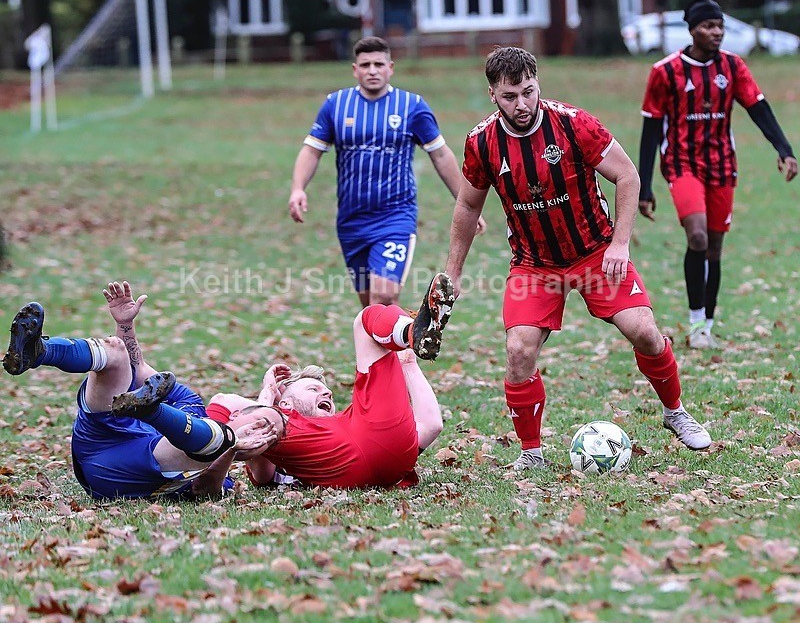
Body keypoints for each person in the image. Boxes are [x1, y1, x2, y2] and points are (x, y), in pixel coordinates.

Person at [443, 46, 712, 471]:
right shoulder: (482, 143)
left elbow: (628, 175)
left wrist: (620, 244)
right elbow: (467, 207)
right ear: (493, 94)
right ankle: (531, 454)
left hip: (596, 253)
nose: (522, 104)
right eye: (510, 96)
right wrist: (451, 273)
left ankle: (675, 411)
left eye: (528, 92)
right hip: (534, 264)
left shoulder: (573, 124)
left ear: (538, 83)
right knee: (518, 351)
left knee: (644, 330)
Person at [2, 282, 273, 500]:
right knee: (117, 353)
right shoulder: (190, 400)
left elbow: (205, 490)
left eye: (271, 435)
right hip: (100, 435)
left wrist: (232, 449)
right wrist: (125, 324)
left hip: (120, 474)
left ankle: (151, 411)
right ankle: (37, 353)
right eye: (262, 422)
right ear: (237, 411)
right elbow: (137, 367)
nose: (261, 432)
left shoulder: (226, 474)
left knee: (216, 443)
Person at [638, 0, 797, 349]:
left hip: (722, 165)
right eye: (709, 26)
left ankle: (707, 324)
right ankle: (696, 324)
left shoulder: (732, 67)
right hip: (682, 165)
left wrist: (784, 150)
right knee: (697, 237)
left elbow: (758, 107)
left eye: (720, 26)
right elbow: (651, 129)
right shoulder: (665, 72)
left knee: (715, 245)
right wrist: (644, 186)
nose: (717, 32)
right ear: (692, 30)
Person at [204, 273, 455, 488]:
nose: (327, 394)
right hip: (374, 459)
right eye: (313, 388)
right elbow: (225, 404)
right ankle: (408, 332)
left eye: (326, 392)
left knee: (383, 322)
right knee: (364, 320)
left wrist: (409, 365)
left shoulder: (347, 418)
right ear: (286, 403)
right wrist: (268, 394)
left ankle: (410, 333)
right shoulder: (285, 427)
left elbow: (431, 424)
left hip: (378, 447)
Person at [289, 36, 485, 308]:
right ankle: (395, 351)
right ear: (354, 69)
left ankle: (406, 345)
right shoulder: (336, 105)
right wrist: (298, 188)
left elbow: (440, 154)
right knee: (370, 306)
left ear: (390, 67)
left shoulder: (412, 106)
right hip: (351, 220)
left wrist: (466, 205)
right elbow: (312, 150)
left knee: (385, 295)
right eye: (365, 64)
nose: (372, 70)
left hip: (394, 216)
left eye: (378, 64)